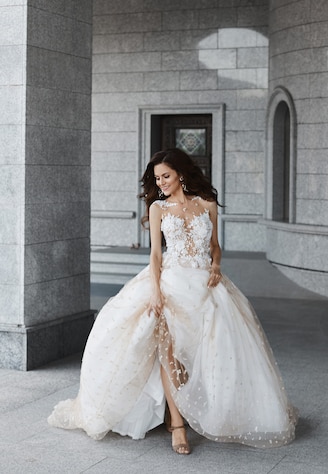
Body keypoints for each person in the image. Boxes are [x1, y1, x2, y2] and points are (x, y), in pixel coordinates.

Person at [48, 148, 297, 454]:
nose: (161, 182)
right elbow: (155, 254)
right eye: (157, 178)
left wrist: (216, 265)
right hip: (170, 281)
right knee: (167, 347)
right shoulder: (158, 209)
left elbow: (216, 247)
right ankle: (177, 425)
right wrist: (156, 290)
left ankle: (186, 407)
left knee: (206, 350)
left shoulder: (207, 204)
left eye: (166, 176)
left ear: (180, 173)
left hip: (205, 283)